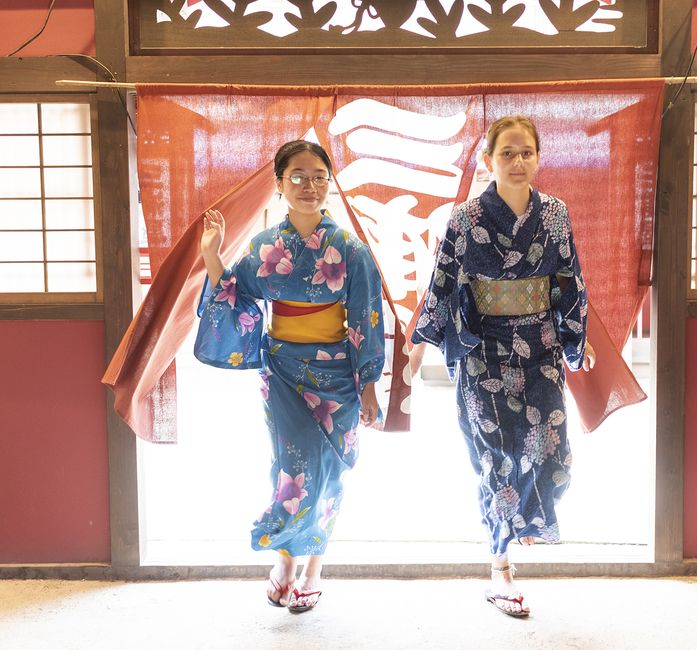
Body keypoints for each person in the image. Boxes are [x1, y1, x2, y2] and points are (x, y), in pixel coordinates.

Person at [411, 115, 595, 617]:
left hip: (540, 346)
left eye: (527, 152)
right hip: (484, 349)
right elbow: (443, 283)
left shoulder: (554, 213)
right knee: (495, 458)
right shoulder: (465, 218)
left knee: (550, 450)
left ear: (538, 158)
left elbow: (570, 279)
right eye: (507, 153)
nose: (517, 161)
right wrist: (418, 346)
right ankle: (500, 567)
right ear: (487, 159)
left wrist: (577, 343)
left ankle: (526, 522)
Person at [195, 140, 385, 613]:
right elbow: (235, 297)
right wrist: (212, 255)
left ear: (330, 184)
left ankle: (315, 568)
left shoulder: (351, 249)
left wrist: (368, 384)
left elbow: (366, 316)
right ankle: (285, 556)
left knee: (331, 474)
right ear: (279, 184)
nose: (309, 185)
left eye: (319, 176)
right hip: (283, 372)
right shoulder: (264, 247)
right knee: (293, 469)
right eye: (297, 176)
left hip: (338, 375)